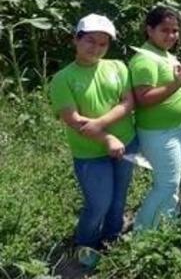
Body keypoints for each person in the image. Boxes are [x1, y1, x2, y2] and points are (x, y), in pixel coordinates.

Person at [49, 14, 137, 268]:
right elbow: (73, 120)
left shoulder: (118, 67)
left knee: (119, 198)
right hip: (90, 153)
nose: (96, 48)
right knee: (98, 203)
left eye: (103, 44)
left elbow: (128, 102)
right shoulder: (63, 79)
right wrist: (107, 137)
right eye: (90, 41)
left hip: (126, 144)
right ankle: (85, 245)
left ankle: (111, 238)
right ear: (75, 40)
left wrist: (99, 124)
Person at [130, 6, 181, 230]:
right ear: (149, 30)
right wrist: (177, 83)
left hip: (177, 128)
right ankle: (143, 233)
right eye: (164, 30)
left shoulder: (163, 54)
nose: (171, 36)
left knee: (173, 181)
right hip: (160, 133)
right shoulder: (144, 61)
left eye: (175, 30)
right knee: (166, 185)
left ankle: (167, 222)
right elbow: (144, 98)